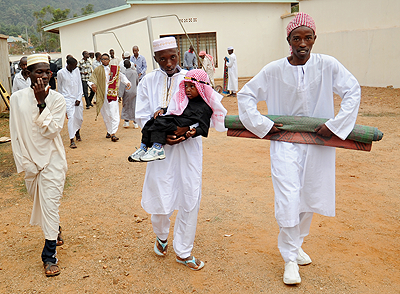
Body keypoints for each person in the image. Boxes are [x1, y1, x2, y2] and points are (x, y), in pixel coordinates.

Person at [237, 13, 361, 285]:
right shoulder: (273, 70)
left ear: (315, 39)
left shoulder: (328, 65)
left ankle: (296, 245)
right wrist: (263, 125)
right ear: (288, 40)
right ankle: (290, 259)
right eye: (297, 38)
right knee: (289, 197)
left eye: (308, 38)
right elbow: (246, 96)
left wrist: (336, 124)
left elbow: (352, 90)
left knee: (310, 196)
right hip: (285, 144)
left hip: (319, 143)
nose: (302, 43)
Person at [134, 37, 214, 270]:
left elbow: (205, 111)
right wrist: (163, 136)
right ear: (156, 59)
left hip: (188, 149)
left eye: (172, 57)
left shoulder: (193, 78)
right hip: (160, 151)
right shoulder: (148, 81)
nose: (168, 63)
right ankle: (161, 236)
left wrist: (186, 132)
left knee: (190, 195)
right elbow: (141, 115)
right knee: (160, 195)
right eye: (162, 59)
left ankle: (183, 250)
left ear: (179, 54)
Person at [9, 54, 67, 277]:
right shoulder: (16, 98)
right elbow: (15, 132)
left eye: (47, 72)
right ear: (27, 74)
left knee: (50, 204)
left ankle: (49, 256)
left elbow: (52, 131)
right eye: (38, 72)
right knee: (41, 203)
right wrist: (22, 161)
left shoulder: (57, 100)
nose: (44, 76)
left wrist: (42, 102)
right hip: (31, 163)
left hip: (52, 160)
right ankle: (57, 228)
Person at [129, 69, 226, 162]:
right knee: (151, 122)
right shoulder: (185, 99)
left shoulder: (205, 107)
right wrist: (163, 110)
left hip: (180, 127)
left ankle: (157, 147)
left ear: (201, 87)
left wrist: (194, 131)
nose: (187, 89)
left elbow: (204, 127)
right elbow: (174, 108)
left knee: (160, 123)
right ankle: (143, 147)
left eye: (192, 86)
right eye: (186, 86)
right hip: (175, 119)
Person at [88, 53, 131, 142]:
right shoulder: (97, 70)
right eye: (103, 59)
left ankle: (113, 133)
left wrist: (127, 83)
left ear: (109, 60)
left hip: (112, 94)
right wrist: (92, 85)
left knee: (114, 113)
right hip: (102, 95)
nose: (105, 61)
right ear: (101, 60)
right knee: (106, 114)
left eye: (106, 59)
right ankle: (109, 131)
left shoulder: (114, 69)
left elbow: (121, 76)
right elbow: (91, 80)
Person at [57, 57, 84, 148]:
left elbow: (80, 84)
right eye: (73, 65)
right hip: (67, 99)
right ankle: (72, 140)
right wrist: (62, 100)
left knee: (79, 118)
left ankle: (77, 132)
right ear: (68, 65)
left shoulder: (76, 71)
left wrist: (79, 98)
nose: (75, 67)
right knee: (71, 117)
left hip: (77, 97)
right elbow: (60, 88)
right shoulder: (61, 73)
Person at [119, 59, 139, 129]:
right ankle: (135, 122)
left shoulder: (123, 74)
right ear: (130, 65)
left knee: (126, 106)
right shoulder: (134, 72)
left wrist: (120, 95)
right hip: (134, 91)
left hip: (127, 92)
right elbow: (137, 82)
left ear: (124, 66)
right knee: (134, 106)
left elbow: (122, 84)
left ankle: (126, 122)